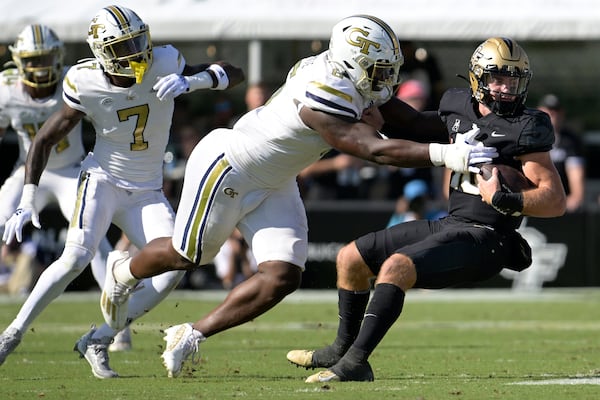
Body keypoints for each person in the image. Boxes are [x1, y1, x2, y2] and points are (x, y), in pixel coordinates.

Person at [99, 14, 498, 378]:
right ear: (351, 62)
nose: (386, 80)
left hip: (276, 177)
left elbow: (407, 120)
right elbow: (372, 149)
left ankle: (190, 334)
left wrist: (462, 130)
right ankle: (123, 270)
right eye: (379, 71)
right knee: (189, 255)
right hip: (228, 165)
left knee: (282, 275)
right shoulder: (323, 89)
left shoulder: (350, 75)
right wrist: (449, 154)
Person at [287, 36, 567, 383]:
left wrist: (504, 199)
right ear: (477, 78)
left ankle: (356, 362)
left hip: (491, 238)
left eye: (513, 80)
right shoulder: (457, 105)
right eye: (497, 78)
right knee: (350, 258)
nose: (505, 88)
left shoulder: (527, 126)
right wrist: (368, 96)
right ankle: (340, 348)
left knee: (396, 267)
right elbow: (417, 126)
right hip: (452, 223)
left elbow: (555, 201)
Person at [0, 5, 244, 379]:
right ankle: (12, 333)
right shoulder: (84, 80)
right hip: (101, 179)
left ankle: (98, 338)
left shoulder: (166, 62)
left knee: (175, 266)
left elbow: (235, 72)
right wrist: (29, 195)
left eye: (138, 41)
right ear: (102, 53)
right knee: (75, 259)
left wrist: (194, 81)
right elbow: (45, 138)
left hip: (146, 190)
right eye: (123, 47)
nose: (135, 53)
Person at [0, 23, 120, 359]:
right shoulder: (5, 89)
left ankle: (117, 323)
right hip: (29, 174)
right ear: (19, 61)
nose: (40, 67)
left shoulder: (76, 79)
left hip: (72, 172)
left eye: (46, 58)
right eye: (33, 60)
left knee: (95, 244)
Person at [537, 94, 586, 212]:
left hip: (562, 201)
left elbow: (576, 172)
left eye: (556, 110)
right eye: (548, 109)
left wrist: (575, 198)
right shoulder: (530, 137)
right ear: (539, 111)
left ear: (562, 113)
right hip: (535, 198)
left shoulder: (571, 140)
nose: (553, 113)